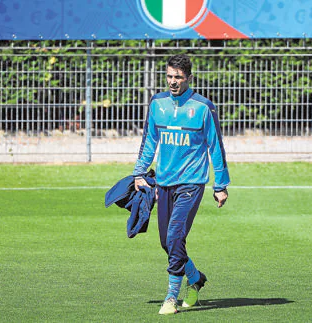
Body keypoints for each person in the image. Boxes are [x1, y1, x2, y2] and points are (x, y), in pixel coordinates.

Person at [132, 54, 230, 315]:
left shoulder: (203, 107)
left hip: (192, 183)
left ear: (189, 78)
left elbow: (216, 147)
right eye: (169, 76)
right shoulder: (157, 103)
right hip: (163, 183)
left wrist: (220, 185)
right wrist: (139, 172)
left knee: (175, 236)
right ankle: (195, 278)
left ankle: (171, 297)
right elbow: (150, 140)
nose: (173, 81)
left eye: (178, 77)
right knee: (167, 242)